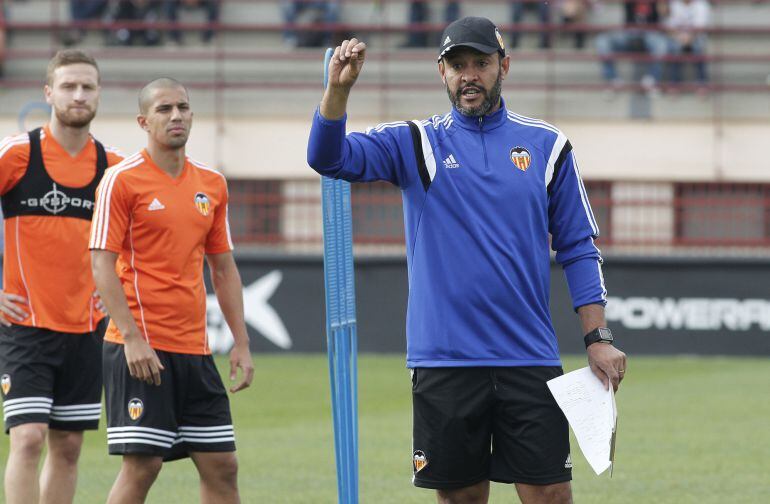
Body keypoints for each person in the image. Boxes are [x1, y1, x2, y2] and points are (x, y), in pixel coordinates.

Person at [307, 17, 627, 504]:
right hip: (446, 359)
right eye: (458, 65)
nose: (469, 75)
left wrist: (597, 337)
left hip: (529, 355)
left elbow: (579, 246)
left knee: (552, 495)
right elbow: (327, 159)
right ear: (441, 72)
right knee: (462, 499)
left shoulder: (547, 145)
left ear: (505, 66)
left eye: (481, 63)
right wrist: (337, 94)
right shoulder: (416, 142)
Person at [90, 77, 254, 504]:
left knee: (222, 465)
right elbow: (100, 263)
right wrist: (130, 337)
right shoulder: (120, 180)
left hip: (195, 351)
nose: (176, 115)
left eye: (183, 107)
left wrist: (241, 342)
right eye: (164, 109)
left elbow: (223, 267)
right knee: (143, 465)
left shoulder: (212, 184)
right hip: (141, 347)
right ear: (144, 121)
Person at [0, 49, 124, 504]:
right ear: (48, 92)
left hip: (87, 328)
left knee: (68, 446)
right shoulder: (17, 154)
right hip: (25, 326)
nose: (78, 95)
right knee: (29, 437)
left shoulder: (114, 168)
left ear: (98, 95)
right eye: (68, 86)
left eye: (87, 87)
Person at [595, 1, 668, 93]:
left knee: (662, 44)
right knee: (602, 41)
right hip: (629, 33)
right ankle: (612, 80)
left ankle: (651, 80)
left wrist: (661, 7)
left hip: (650, 33)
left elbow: (663, 13)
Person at [665, 0, 711, 92]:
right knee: (674, 48)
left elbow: (701, 27)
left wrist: (689, 38)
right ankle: (674, 84)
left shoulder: (702, 4)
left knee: (698, 48)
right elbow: (669, 26)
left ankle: (702, 84)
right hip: (678, 37)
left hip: (696, 37)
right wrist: (680, 37)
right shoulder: (674, 4)